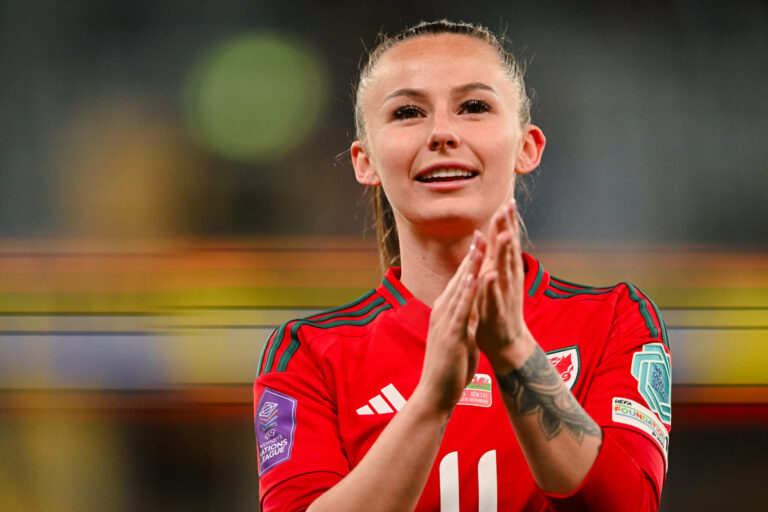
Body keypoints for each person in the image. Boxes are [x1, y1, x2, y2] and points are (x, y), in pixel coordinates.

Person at [254, 20, 671, 512]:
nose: (442, 133)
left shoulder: (615, 318)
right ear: (364, 162)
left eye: (474, 107)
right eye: (408, 112)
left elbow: (627, 502)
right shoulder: (308, 354)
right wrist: (432, 401)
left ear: (527, 147)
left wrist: (514, 351)